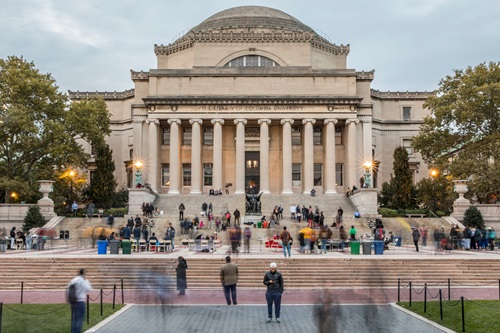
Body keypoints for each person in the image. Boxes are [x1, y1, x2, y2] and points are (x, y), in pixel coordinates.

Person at [67, 269, 92, 333]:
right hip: (80, 301)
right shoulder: (83, 280)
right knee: (79, 319)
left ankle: (73, 331)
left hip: (73, 301)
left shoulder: (74, 279)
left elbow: (68, 288)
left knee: (74, 318)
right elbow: (89, 288)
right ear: (83, 273)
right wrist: (86, 280)